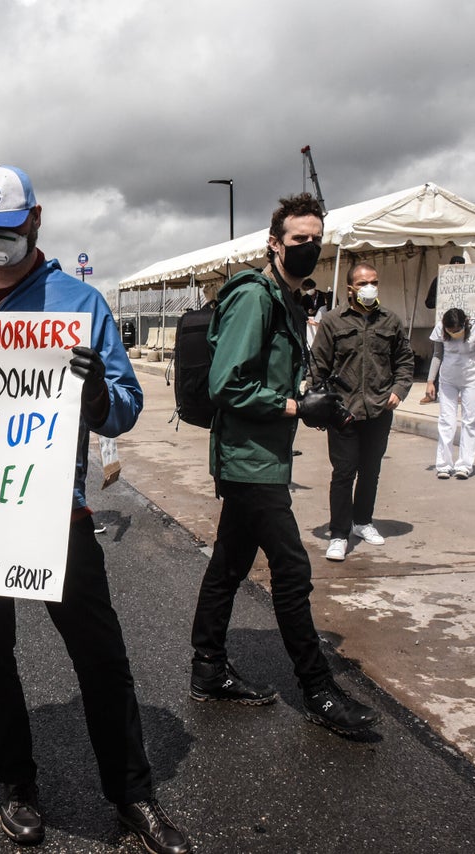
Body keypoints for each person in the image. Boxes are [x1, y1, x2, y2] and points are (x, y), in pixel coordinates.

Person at [0, 165, 190, 853]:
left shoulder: (79, 302)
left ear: (36, 220)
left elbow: (125, 409)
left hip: (58, 516)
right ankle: (18, 788)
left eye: (10, 229)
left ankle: (132, 795)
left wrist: (96, 393)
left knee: (101, 659)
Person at [189, 192, 381, 737]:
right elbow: (226, 384)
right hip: (247, 459)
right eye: (299, 239)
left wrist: (312, 402)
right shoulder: (255, 298)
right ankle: (318, 691)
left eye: (316, 239)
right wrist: (297, 405)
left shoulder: (287, 299)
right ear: (275, 243)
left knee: (229, 563)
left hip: (265, 457)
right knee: (292, 570)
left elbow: (269, 377)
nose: (310, 247)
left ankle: (207, 668)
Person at [311, 262, 415, 562]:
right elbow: (319, 366)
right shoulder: (333, 322)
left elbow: (405, 362)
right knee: (344, 473)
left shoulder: (390, 321)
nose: (369, 287)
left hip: (379, 409)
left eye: (374, 281)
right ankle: (339, 534)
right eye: (362, 283)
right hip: (343, 411)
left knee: (371, 471)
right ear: (350, 289)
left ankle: (363, 522)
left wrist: (399, 390)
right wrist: (321, 403)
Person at [425, 306, 475, 479]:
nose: (454, 333)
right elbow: (437, 355)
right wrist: (430, 381)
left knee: (470, 421)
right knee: (446, 421)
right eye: (451, 331)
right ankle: (444, 464)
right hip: (448, 380)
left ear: (465, 323)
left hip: (471, 380)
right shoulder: (440, 328)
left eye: (457, 330)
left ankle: (464, 465)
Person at [295, 277, 329, 349]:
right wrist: (308, 312)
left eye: (309, 288)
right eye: (306, 289)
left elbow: (327, 308)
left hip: (321, 322)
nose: (308, 291)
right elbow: (301, 310)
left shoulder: (324, 296)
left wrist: (316, 311)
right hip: (310, 323)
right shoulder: (304, 298)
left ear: (314, 287)